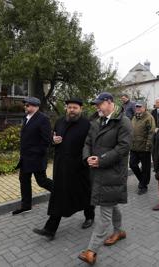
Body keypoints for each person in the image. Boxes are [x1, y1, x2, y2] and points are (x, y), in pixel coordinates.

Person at [78, 92, 132, 265]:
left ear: (109, 102)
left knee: (105, 214)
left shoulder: (123, 121)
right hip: (97, 171)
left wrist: (101, 160)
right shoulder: (97, 121)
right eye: (96, 105)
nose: (97, 107)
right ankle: (119, 231)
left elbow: (123, 148)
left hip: (113, 172)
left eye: (99, 104)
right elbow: (87, 142)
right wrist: (88, 157)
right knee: (111, 202)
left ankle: (91, 250)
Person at [33, 98, 94, 240]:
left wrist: (88, 160)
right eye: (69, 107)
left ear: (81, 109)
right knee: (59, 195)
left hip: (80, 167)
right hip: (61, 166)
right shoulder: (60, 121)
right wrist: (53, 141)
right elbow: (52, 138)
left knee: (85, 193)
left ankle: (90, 216)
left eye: (75, 107)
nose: (72, 110)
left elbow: (91, 145)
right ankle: (50, 229)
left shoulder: (87, 125)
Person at [13, 97, 53, 215]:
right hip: (25, 158)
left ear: (35, 107)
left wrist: (35, 153)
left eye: (28, 105)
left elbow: (46, 141)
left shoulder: (43, 119)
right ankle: (26, 206)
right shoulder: (26, 118)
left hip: (36, 158)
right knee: (24, 179)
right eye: (25, 105)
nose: (25, 107)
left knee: (42, 181)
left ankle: (61, 193)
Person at [129, 100, 156, 195]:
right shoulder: (134, 117)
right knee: (132, 164)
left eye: (140, 107)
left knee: (145, 168)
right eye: (136, 107)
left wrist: (148, 146)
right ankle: (142, 180)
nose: (138, 108)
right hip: (134, 147)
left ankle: (143, 186)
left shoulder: (149, 118)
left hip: (144, 147)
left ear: (144, 108)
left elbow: (151, 132)